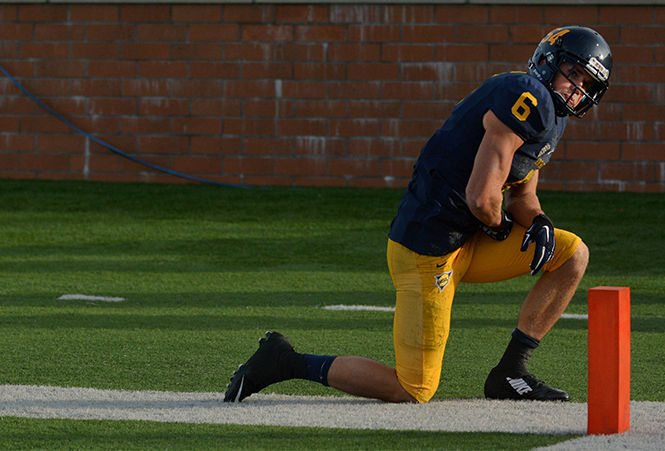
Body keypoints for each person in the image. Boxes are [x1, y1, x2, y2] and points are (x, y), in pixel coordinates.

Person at [223, 25, 613, 404]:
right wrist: (501, 226)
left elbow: (522, 197)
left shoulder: (552, 115)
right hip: (430, 252)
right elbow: (480, 198)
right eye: (573, 73)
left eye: (587, 83)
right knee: (413, 389)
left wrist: (539, 221)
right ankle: (283, 361)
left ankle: (511, 371)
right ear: (548, 62)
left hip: (469, 241)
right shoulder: (526, 94)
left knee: (571, 255)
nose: (577, 88)